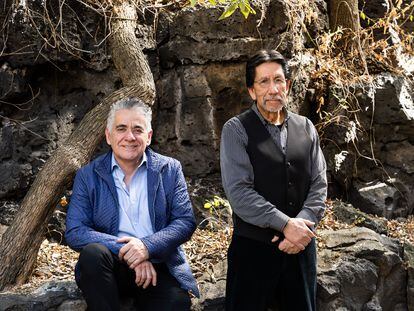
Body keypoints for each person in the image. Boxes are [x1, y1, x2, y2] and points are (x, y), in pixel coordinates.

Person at [65, 98, 199, 311]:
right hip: (110, 268)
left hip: (157, 267)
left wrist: (147, 246)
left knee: (177, 303)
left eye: (137, 129)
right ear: (109, 136)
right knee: (92, 255)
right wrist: (132, 251)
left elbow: (184, 222)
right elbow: (75, 231)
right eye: (121, 129)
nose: (130, 137)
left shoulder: (170, 169)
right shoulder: (88, 175)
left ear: (149, 136)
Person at [220, 50, 327, 311]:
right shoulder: (235, 129)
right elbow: (239, 193)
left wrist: (301, 229)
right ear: (251, 91)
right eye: (264, 82)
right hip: (253, 252)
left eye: (278, 80)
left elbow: (319, 184)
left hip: (301, 249)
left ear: (288, 85)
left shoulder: (306, 127)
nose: (273, 89)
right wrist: (286, 225)